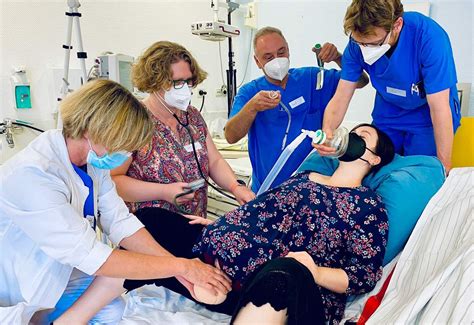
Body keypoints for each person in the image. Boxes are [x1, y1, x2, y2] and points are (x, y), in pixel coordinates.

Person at [58, 124, 395, 325]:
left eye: (361, 135)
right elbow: (265, 212)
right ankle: (71, 320)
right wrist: (223, 224)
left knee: (282, 274)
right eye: (351, 132)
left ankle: (218, 291)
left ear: (375, 158)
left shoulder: (367, 205)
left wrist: (314, 271)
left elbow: (364, 276)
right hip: (214, 260)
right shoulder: (306, 176)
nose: (351, 137)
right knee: (152, 220)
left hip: (276, 280)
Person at [0, 80, 231, 324]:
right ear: (94, 130)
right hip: (17, 283)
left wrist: (179, 270)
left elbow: (120, 222)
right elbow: (93, 255)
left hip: (57, 271)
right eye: (124, 144)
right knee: (114, 269)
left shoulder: (91, 162)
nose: (127, 154)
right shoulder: (34, 175)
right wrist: (181, 268)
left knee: (113, 304)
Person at [111, 41, 255, 218]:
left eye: (188, 81)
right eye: (177, 82)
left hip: (193, 224)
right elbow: (114, 180)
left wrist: (235, 186)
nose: (185, 88)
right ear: (155, 82)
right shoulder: (133, 121)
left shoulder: (192, 116)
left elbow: (214, 161)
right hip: (149, 228)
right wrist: (163, 192)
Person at [316, 0, 461, 174]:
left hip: (427, 115)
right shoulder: (357, 44)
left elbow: (439, 108)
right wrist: (327, 133)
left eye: (373, 43)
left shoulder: (429, 38)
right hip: (389, 110)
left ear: (397, 25)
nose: (364, 50)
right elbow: (341, 97)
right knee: (375, 166)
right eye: (359, 43)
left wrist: (443, 167)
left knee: (418, 174)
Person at [224, 26, 369, 193]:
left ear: (288, 50)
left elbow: (361, 81)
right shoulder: (250, 92)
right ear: (257, 62)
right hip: (269, 189)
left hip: (313, 188)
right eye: (268, 57)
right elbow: (231, 136)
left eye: (281, 52)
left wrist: (339, 58)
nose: (277, 60)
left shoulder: (313, 78)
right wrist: (252, 108)